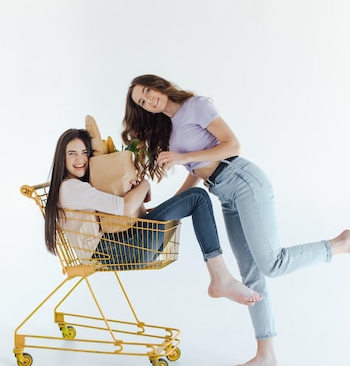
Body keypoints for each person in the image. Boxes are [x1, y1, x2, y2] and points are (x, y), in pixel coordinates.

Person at [122, 74, 350, 366]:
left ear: (158, 85)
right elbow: (195, 173)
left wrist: (183, 156)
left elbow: (233, 145)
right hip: (225, 194)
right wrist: (170, 204)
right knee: (251, 274)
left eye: (147, 92)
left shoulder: (196, 106)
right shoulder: (173, 126)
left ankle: (341, 244)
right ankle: (266, 354)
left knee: (273, 263)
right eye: (142, 102)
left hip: (243, 180)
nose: (148, 100)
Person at [43, 128, 262, 306]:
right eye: (72, 153)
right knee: (197, 197)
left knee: (195, 198)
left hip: (118, 244)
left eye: (84, 153)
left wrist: (137, 199)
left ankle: (221, 278)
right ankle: (220, 278)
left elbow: (120, 211)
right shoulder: (72, 188)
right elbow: (126, 207)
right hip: (115, 250)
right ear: (61, 157)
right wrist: (145, 184)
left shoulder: (75, 187)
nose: (80, 159)